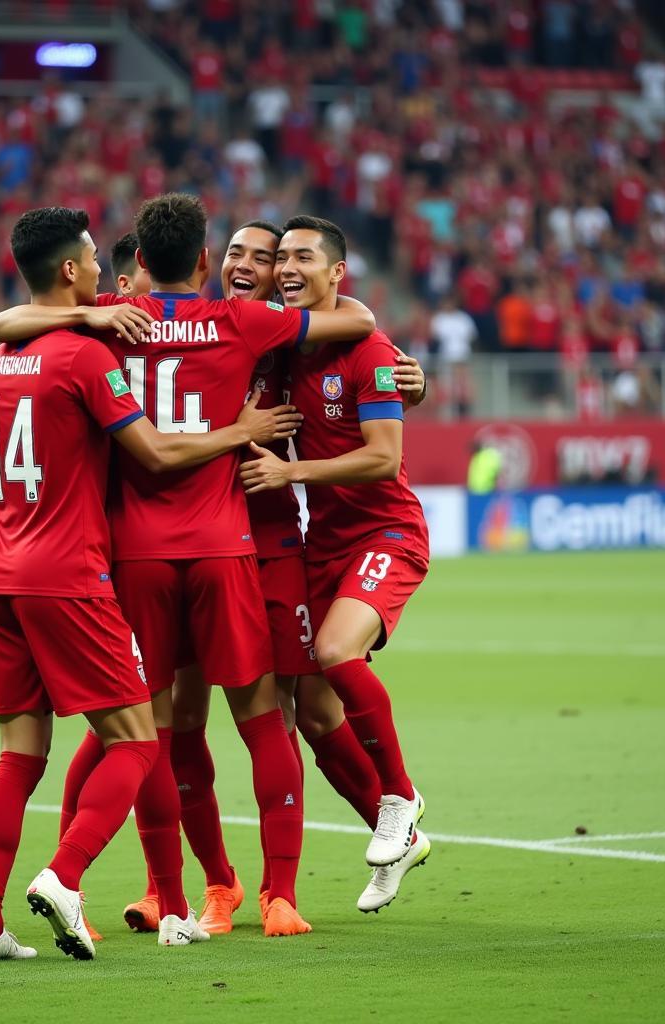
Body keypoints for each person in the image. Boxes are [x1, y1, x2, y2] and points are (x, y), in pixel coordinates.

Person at [0, 193, 381, 937]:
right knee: (262, 717)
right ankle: (272, 896)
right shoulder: (242, 321)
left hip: (130, 553)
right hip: (225, 547)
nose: (249, 267)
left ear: (136, 264)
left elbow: (3, 324)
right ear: (206, 261)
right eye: (235, 255)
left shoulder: (112, 318)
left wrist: (92, 312)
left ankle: (168, 893)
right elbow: (359, 321)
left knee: (146, 729)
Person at [240, 216, 431, 911]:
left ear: (336, 272)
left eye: (302, 258)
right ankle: (398, 838)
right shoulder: (289, 344)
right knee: (316, 712)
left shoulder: (368, 346)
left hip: (385, 531)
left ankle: (402, 799)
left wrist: (292, 474)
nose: (287, 268)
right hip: (323, 542)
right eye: (280, 258)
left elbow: (383, 457)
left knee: (334, 651)